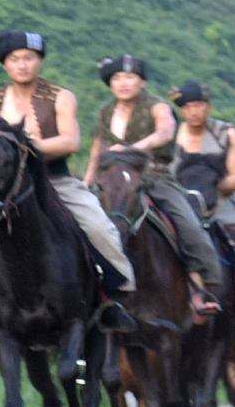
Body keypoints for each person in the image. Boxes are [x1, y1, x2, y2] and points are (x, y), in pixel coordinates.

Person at [0, 30, 134, 322]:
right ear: (5, 63)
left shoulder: (59, 96)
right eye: (15, 59)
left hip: (53, 180)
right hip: (5, 189)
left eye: (29, 58)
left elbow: (70, 141)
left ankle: (116, 296)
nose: (22, 65)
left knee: (98, 225)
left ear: (39, 61)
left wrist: (24, 148)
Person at [85, 55, 223, 321]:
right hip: (113, 180)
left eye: (130, 77)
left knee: (188, 225)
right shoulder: (106, 111)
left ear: (142, 81)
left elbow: (165, 133)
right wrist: (88, 181)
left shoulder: (157, 106)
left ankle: (199, 288)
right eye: (116, 78)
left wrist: (133, 149)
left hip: (153, 177)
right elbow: (97, 148)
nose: (123, 83)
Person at [171, 81, 235, 347]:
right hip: (180, 200)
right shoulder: (172, 134)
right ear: (182, 110)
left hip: (219, 201)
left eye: (200, 106)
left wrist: (214, 185)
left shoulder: (226, 133)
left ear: (209, 106)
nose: (195, 112)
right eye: (189, 107)